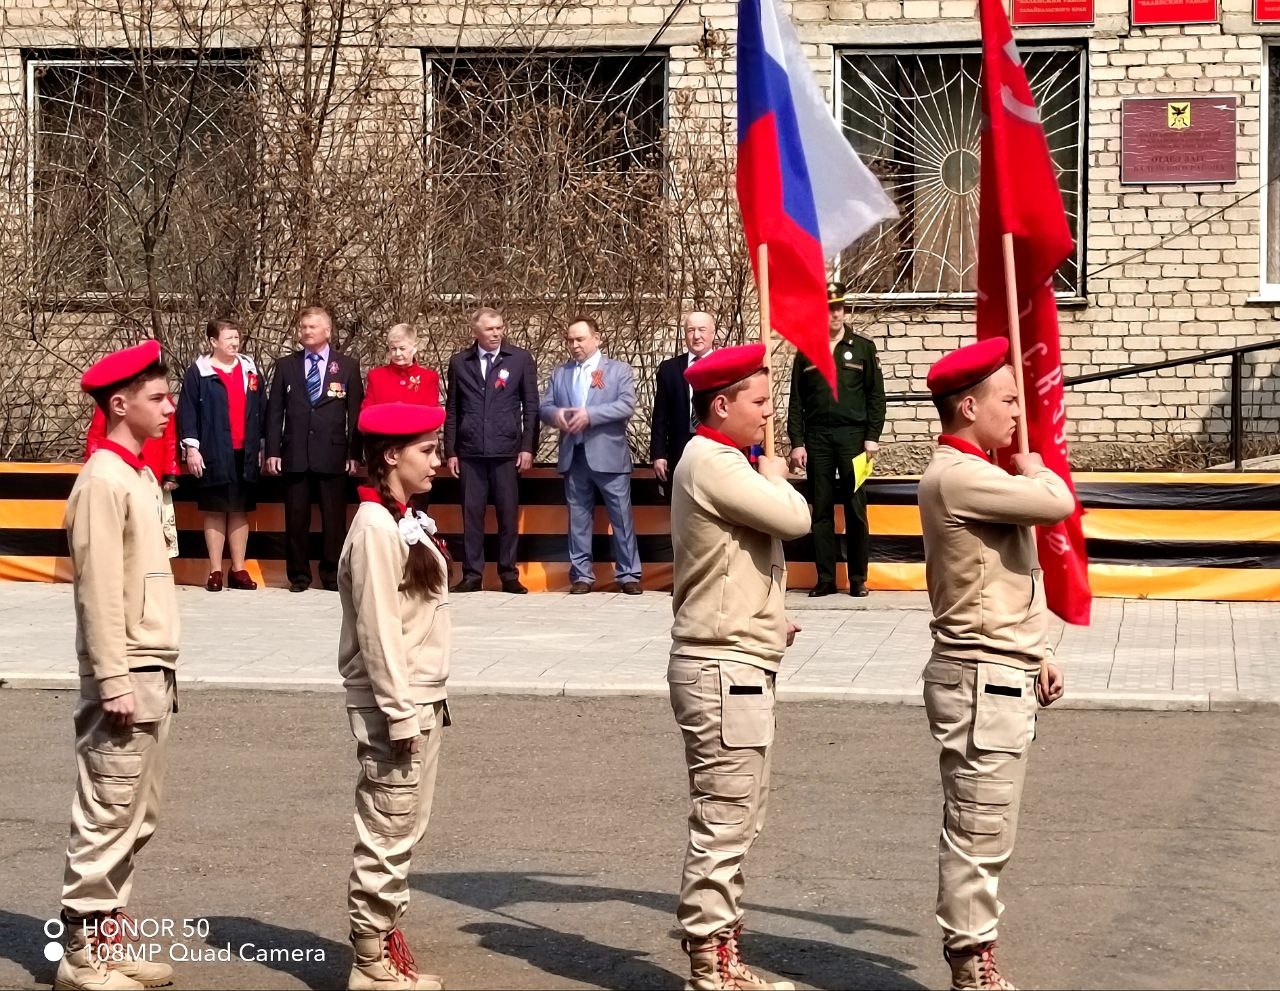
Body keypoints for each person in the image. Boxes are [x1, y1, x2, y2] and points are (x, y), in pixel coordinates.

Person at [918, 338, 1073, 991]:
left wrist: (1036, 648)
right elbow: (1057, 501)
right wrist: (1034, 468)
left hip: (1000, 665)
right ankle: (971, 964)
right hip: (980, 676)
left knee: (990, 826)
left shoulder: (981, 472)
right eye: (1007, 400)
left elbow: (1004, 574)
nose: (1018, 413)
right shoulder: (960, 474)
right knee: (978, 829)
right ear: (968, 404)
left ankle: (976, 953)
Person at [667, 344, 810, 991]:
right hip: (723, 667)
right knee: (725, 818)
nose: (767, 415)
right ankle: (709, 962)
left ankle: (723, 949)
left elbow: (731, 562)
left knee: (738, 814)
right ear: (720, 404)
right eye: (757, 402)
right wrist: (777, 473)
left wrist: (764, 611)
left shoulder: (721, 458)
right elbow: (794, 518)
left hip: (736, 655)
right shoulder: (715, 461)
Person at [57, 339, 180, 991]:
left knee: (136, 811)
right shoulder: (103, 479)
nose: (169, 408)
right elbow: (98, 590)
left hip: (151, 667)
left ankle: (108, 938)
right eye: (158, 398)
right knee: (107, 807)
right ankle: (80, 953)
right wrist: (112, 678)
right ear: (120, 402)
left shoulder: (136, 473)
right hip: (126, 671)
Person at [338, 402, 451, 991]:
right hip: (395, 706)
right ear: (390, 455)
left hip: (417, 696)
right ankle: (370, 960)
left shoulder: (397, 516)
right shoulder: (376, 527)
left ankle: (380, 945)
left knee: (402, 827)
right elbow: (378, 630)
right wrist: (400, 711)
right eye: (427, 450)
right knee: (387, 827)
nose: (437, 461)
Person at [787, 281, 886, 598]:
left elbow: (876, 396)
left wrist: (872, 437)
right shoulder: (806, 351)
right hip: (818, 439)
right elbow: (796, 402)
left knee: (857, 509)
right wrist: (797, 441)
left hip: (854, 438)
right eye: (829, 310)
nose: (835, 315)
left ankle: (858, 578)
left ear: (845, 310)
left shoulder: (862, 348)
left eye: (839, 308)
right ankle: (826, 578)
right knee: (822, 510)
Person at [264, 306, 364, 592]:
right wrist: (273, 450)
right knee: (296, 519)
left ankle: (332, 575)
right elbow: (275, 412)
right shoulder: (286, 365)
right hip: (295, 454)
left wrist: (354, 454)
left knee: (334, 521)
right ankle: (298, 575)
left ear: (327, 331)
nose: (306, 331)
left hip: (333, 455)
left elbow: (354, 414)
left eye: (313, 327)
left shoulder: (347, 366)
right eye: (303, 327)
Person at [539, 316, 641, 594]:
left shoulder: (618, 370)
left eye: (580, 339)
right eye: (570, 340)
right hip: (575, 454)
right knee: (578, 517)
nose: (574, 345)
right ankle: (582, 575)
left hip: (608, 454)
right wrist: (556, 414)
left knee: (621, 517)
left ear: (597, 338)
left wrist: (590, 415)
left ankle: (629, 574)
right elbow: (544, 406)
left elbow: (626, 405)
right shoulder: (560, 373)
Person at [443, 307, 539, 594]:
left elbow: (531, 407)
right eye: (489, 329)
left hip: (506, 451)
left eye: (499, 328)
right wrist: (451, 450)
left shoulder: (520, 359)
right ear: (476, 332)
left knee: (507, 516)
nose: (496, 333)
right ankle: (473, 574)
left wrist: (527, 447)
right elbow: (452, 409)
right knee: (471, 516)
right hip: (470, 451)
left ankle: (508, 573)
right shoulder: (460, 362)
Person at [178, 318, 265, 592]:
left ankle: (238, 569)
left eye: (236, 338)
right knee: (215, 510)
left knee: (240, 510)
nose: (234, 343)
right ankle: (215, 570)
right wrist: (192, 448)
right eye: (228, 338)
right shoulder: (199, 372)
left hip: (245, 451)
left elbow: (261, 408)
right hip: (214, 450)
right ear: (213, 342)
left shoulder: (250, 369)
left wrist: (261, 445)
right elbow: (188, 411)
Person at [86, 399, 179, 558]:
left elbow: (170, 437)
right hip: (116, 468)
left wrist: (171, 471)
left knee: (152, 524)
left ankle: (153, 566)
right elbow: (96, 434)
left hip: (151, 472)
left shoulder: (161, 399)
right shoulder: (112, 399)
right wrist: (92, 466)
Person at [650, 310, 716, 499]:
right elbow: (660, 415)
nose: (696, 336)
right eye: (690, 330)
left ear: (712, 333)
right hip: (680, 449)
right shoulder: (669, 369)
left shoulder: (725, 365)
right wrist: (658, 453)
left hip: (716, 447)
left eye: (702, 330)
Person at [363, 324, 442, 408]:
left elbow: (431, 414)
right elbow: (367, 413)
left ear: (414, 348)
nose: (397, 354)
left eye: (402, 348)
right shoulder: (376, 377)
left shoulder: (428, 378)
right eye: (393, 349)